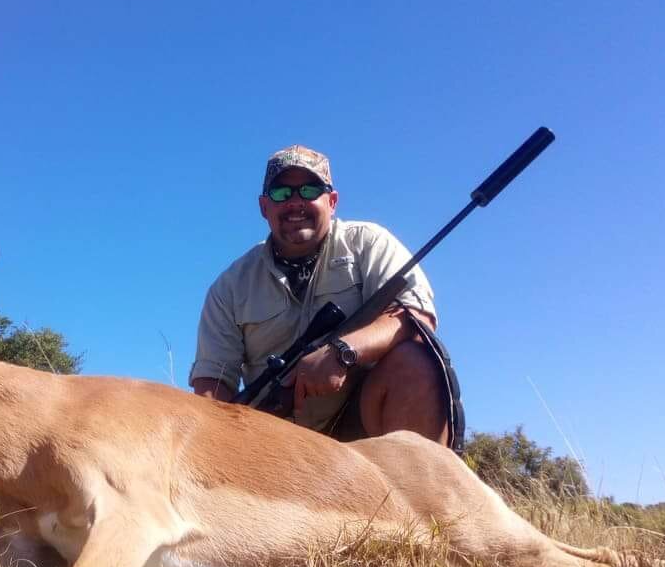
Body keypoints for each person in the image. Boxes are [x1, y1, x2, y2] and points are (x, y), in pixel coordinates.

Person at [189, 144, 461, 449]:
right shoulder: (230, 286)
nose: (295, 202)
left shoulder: (367, 243)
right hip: (270, 442)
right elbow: (212, 383)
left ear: (332, 201)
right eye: (281, 193)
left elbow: (418, 315)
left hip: (361, 429)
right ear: (264, 207)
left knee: (415, 360)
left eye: (309, 190)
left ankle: (414, 494)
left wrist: (342, 353)